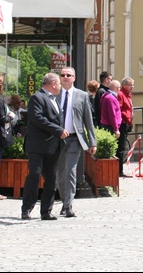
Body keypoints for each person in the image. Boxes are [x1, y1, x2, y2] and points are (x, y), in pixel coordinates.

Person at [21, 72, 68, 221]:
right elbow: (38, 118)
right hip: (38, 145)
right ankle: (27, 208)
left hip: (53, 145)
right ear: (53, 84)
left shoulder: (55, 99)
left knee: (51, 178)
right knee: (34, 175)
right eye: (59, 83)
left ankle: (46, 211)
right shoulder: (37, 97)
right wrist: (58, 130)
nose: (60, 87)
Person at [55, 67, 97, 218]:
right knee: (59, 174)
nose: (65, 77)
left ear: (74, 78)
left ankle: (68, 206)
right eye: (63, 75)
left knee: (70, 172)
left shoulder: (82, 96)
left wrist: (93, 142)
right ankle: (64, 200)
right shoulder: (54, 94)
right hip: (57, 140)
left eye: (68, 75)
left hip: (74, 139)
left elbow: (88, 120)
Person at [117, 77, 135, 177]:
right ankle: (119, 171)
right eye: (130, 84)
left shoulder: (127, 95)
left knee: (122, 147)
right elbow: (118, 109)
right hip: (122, 123)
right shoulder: (121, 94)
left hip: (126, 123)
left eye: (133, 84)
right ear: (124, 85)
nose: (132, 87)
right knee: (121, 147)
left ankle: (120, 170)